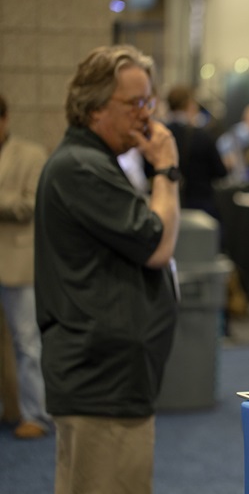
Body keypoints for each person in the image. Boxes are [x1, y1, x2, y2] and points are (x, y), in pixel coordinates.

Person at [34, 45, 180, 492]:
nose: (145, 115)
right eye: (134, 103)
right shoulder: (81, 166)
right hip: (102, 380)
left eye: (148, 102)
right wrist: (167, 169)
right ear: (95, 107)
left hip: (107, 376)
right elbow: (157, 242)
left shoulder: (91, 163)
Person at [0, 93, 53, 439]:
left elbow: (28, 205)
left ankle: (35, 413)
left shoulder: (32, 155)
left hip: (17, 263)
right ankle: (11, 408)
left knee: (27, 342)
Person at [163, 85, 227, 218]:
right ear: (189, 104)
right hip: (200, 203)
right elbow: (220, 171)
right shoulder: (202, 136)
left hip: (165, 201)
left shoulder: (160, 133)